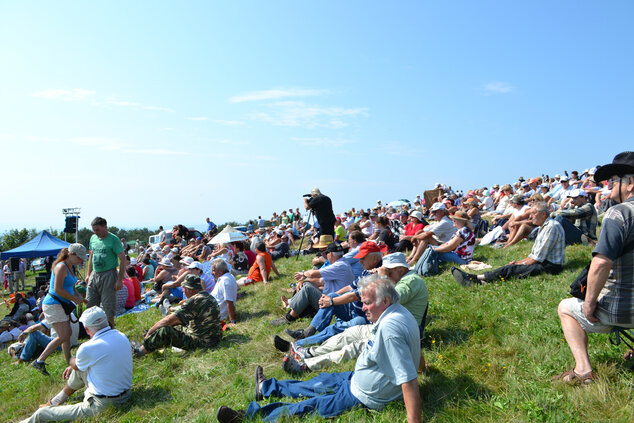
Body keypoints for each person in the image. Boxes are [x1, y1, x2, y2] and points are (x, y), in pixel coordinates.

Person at [216, 274, 422, 423]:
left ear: (385, 300)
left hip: (366, 394)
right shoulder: (399, 312)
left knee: (313, 405)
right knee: (317, 382)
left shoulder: (390, 329)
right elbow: (415, 348)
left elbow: (408, 381)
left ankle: (251, 416)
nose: (364, 308)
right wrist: (425, 367)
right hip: (358, 379)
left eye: (367, 303)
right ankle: (266, 388)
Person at [554, 152, 634, 384]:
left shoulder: (620, 213)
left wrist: (589, 304)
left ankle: (582, 370)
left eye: (613, 181)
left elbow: (602, 262)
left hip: (624, 309)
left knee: (566, 308)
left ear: (630, 183)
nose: (608, 187)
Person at [19, 306, 132, 423]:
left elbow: (76, 364)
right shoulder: (121, 335)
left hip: (103, 404)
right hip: (126, 393)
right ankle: (57, 400)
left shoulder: (88, 347)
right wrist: (76, 365)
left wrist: (71, 361)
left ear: (87, 329)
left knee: (42, 414)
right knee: (80, 368)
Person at [452, 202, 565, 286]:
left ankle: (473, 278)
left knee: (512, 269)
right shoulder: (544, 226)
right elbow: (534, 255)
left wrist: (518, 265)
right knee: (513, 268)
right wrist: (519, 262)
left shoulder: (551, 227)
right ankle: (480, 281)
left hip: (551, 267)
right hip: (544, 262)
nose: (530, 217)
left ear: (544, 214)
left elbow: (538, 258)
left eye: (533, 213)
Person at [31, 244, 88, 376]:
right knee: (63, 335)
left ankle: (68, 360)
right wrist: (75, 299)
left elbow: (72, 287)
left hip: (62, 304)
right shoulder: (61, 267)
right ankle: (39, 361)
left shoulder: (70, 266)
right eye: (79, 258)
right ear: (71, 254)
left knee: (66, 334)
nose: (81, 261)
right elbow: (57, 289)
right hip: (53, 304)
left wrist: (80, 298)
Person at [133, 274, 222, 356]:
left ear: (190, 289)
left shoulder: (195, 300)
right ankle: (148, 342)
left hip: (203, 342)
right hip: (213, 338)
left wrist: (150, 331)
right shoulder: (207, 296)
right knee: (175, 326)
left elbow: (168, 320)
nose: (183, 290)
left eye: (183, 288)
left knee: (165, 331)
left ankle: (139, 352)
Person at [270, 243, 354, 326]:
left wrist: (303, 274)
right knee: (306, 285)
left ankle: (289, 317)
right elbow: (321, 281)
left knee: (307, 289)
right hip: (333, 300)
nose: (324, 255)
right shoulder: (342, 263)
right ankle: (292, 308)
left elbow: (313, 274)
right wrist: (304, 281)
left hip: (334, 304)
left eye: (326, 253)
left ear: (331, 254)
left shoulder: (339, 265)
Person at [85, 217, 127, 328]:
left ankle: (111, 330)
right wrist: (88, 274)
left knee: (108, 307)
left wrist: (119, 280)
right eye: (94, 230)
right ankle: (92, 332)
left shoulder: (114, 239)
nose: (95, 232)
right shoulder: (93, 238)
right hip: (95, 273)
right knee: (89, 304)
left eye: (98, 230)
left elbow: (122, 259)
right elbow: (91, 256)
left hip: (109, 274)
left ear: (105, 227)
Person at [414, 210, 475, 276]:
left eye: (454, 220)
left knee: (431, 251)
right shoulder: (463, 230)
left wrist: (435, 249)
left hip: (462, 259)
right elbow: (447, 244)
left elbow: (449, 247)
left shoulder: (464, 231)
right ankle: (421, 267)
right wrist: (436, 248)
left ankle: (421, 269)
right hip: (458, 256)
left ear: (461, 221)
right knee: (431, 249)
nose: (453, 221)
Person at [211, 258, 238, 323]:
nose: (212, 273)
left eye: (213, 270)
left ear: (221, 271)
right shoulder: (225, 277)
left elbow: (229, 301)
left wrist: (232, 320)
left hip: (216, 315)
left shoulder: (225, 281)